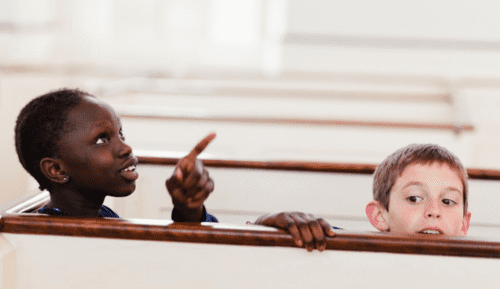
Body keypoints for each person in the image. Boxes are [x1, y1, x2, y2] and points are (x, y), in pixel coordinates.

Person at [14, 88, 217, 222]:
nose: (126, 148)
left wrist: (188, 210)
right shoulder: (55, 237)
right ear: (56, 169)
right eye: (102, 139)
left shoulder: (100, 216)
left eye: (120, 134)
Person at [255, 144, 472, 251]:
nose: (434, 211)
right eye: (414, 198)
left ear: (464, 223)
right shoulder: (345, 247)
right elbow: (265, 231)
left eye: (447, 201)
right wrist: (273, 220)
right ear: (379, 215)